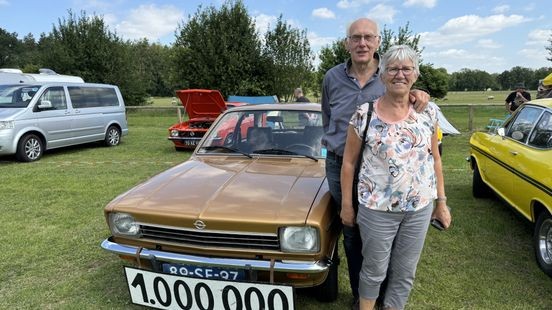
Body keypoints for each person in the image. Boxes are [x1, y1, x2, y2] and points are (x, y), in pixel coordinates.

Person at [320, 17, 429, 310]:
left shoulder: (390, 74)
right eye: (355, 38)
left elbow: (406, 98)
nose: (362, 43)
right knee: (350, 228)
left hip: (380, 169)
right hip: (340, 164)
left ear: (378, 42)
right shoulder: (331, 77)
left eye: (368, 37)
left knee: (387, 234)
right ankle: (362, 295)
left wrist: (421, 95)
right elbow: (327, 118)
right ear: (347, 43)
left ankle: (385, 296)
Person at [340, 44, 451, 310]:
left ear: (415, 74)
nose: (399, 74)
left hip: (418, 209)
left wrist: (441, 203)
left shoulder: (429, 112)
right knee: (374, 271)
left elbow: (435, 158)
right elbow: (348, 162)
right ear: (382, 75)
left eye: (406, 69)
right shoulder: (364, 114)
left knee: (404, 273)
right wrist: (346, 205)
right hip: (376, 209)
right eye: (392, 69)